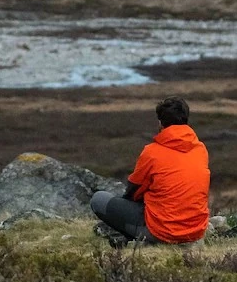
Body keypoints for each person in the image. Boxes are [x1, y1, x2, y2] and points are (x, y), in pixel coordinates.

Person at [90, 96, 210, 244]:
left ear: (160, 122)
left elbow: (133, 191)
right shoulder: (200, 149)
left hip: (162, 231)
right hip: (196, 231)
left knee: (99, 199)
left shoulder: (152, 152)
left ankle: (134, 238)